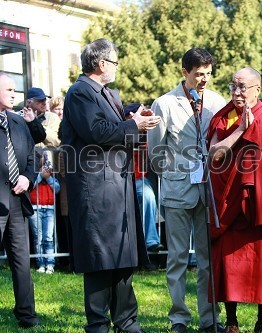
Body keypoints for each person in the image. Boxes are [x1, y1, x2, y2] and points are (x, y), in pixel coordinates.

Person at [61, 38, 159, 333]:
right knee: (99, 257)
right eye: (115, 62)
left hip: (117, 185)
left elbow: (111, 127)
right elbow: (97, 131)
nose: (117, 67)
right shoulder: (80, 93)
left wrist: (131, 118)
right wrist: (134, 125)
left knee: (123, 256)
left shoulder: (103, 93)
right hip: (96, 188)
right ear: (101, 63)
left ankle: (127, 321)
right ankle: (99, 324)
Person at [207, 67, 262, 333]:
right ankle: (231, 321)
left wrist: (256, 129)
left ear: (257, 89)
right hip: (230, 200)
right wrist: (241, 131)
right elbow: (214, 156)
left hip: (261, 202)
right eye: (233, 86)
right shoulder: (223, 118)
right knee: (230, 261)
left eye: (243, 87)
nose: (237, 92)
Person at [147, 48, 227, 333]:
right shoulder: (164, 103)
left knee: (207, 260)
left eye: (208, 73)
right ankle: (179, 317)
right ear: (184, 72)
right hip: (177, 191)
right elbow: (155, 152)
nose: (204, 79)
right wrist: (176, 171)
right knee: (178, 257)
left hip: (208, 193)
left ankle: (210, 318)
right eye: (198, 74)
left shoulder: (218, 102)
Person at [0, 72, 40, 328]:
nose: (15, 94)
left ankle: (27, 315)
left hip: (16, 201)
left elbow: (32, 158)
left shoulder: (18, 122)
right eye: (10, 90)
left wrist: (27, 177)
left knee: (21, 260)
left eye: (15, 90)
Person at [124, 103, 163, 253]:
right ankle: (149, 242)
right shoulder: (122, 128)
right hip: (122, 182)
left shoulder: (147, 133)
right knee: (146, 195)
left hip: (142, 179)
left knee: (149, 195)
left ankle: (152, 242)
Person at [28, 150, 60, 274]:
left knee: (48, 237)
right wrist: (40, 176)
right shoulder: (32, 172)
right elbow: (30, 186)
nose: (43, 160)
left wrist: (48, 178)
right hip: (35, 208)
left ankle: (50, 264)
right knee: (38, 238)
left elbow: (57, 189)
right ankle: (41, 263)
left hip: (49, 209)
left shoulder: (50, 172)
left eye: (44, 158)